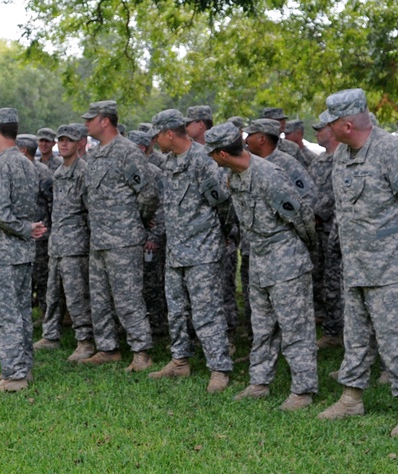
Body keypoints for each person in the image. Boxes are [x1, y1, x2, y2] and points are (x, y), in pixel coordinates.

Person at [316, 89, 398, 437]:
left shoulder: (390, 151)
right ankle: (352, 398)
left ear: (347, 125)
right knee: (355, 338)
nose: (325, 130)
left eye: (331, 124)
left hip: (391, 269)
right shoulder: (343, 156)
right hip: (356, 267)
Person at [206, 122, 319, 411]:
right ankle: (259, 382)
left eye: (212, 155)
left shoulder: (269, 176)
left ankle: (303, 390)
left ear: (221, 154)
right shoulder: (233, 177)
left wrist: (304, 252)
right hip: (258, 262)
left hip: (286, 262)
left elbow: (302, 217)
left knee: (295, 328)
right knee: (262, 326)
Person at [146, 110, 234, 393]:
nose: (155, 141)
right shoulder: (169, 162)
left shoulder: (203, 160)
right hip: (176, 250)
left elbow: (223, 204)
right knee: (177, 311)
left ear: (169, 133)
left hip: (203, 250)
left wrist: (220, 237)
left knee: (207, 312)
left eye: (157, 135)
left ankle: (219, 368)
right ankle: (180, 361)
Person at [78, 100, 160, 372]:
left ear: (105, 121)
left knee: (128, 298)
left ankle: (141, 352)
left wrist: (132, 220)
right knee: (99, 298)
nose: (86, 123)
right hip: (99, 238)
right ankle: (108, 348)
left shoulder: (127, 152)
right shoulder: (96, 154)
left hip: (124, 240)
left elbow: (148, 194)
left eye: (91, 119)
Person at [0, 108, 48, 393]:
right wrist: (27, 230)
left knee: (4, 315)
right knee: (20, 314)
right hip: (21, 254)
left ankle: (14, 376)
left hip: (1, 255)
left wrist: (23, 229)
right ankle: (23, 367)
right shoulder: (27, 163)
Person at [35, 124, 96, 361]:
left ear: (80, 143)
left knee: (77, 295)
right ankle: (50, 335)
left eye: (68, 140)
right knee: (53, 294)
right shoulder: (58, 173)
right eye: (60, 140)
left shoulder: (83, 172)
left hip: (76, 245)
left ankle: (85, 340)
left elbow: (91, 210)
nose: (63, 144)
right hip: (57, 244)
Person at [128, 130, 169, 339]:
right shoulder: (127, 170)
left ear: (142, 148)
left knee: (153, 284)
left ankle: (158, 325)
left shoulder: (154, 172)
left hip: (150, 240)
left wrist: (153, 237)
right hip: (129, 237)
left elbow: (161, 207)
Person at [309, 119, 344, 350]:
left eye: (320, 128)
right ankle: (330, 328)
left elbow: (337, 194)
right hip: (317, 230)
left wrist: (318, 214)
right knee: (321, 278)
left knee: (337, 281)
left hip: (335, 228)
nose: (317, 133)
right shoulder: (318, 160)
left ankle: (339, 329)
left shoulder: (343, 158)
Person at [17, 134, 54, 325]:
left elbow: (52, 203)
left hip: (41, 235)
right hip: (21, 234)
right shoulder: (16, 170)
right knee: (24, 277)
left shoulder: (43, 172)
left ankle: (45, 314)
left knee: (42, 276)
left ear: (23, 151)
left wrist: (49, 230)